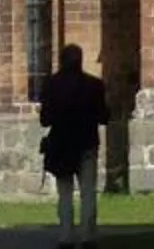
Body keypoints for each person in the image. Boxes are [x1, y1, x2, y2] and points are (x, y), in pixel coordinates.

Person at [36, 40, 109, 238]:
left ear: (61, 61)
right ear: (81, 61)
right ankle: (87, 235)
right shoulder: (94, 85)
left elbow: (45, 120)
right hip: (86, 143)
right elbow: (104, 117)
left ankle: (66, 235)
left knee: (65, 193)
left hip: (61, 144)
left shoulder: (51, 84)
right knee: (88, 192)